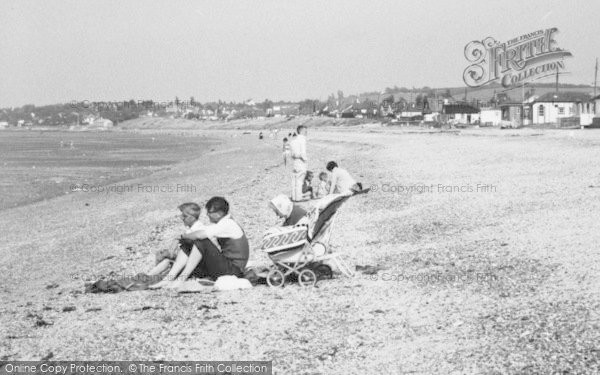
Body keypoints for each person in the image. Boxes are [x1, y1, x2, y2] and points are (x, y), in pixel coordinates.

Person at [150, 197, 249, 288]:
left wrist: (182, 236)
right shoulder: (224, 223)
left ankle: (181, 279)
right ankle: (168, 279)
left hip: (234, 270)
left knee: (201, 241)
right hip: (227, 266)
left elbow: (200, 235)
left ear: (219, 213)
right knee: (188, 244)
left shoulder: (227, 224)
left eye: (209, 212)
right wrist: (184, 239)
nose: (207, 215)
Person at [147, 202, 213, 277]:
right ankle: (150, 276)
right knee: (162, 255)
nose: (181, 218)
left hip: (198, 268)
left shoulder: (198, 230)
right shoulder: (191, 230)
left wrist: (173, 251)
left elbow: (192, 253)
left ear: (192, 217)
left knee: (166, 261)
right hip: (193, 263)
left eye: (184, 216)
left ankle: (148, 277)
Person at [289, 125, 308, 201]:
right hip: (300, 161)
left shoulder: (293, 141)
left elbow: (292, 154)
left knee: (294, 180)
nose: (306, 132)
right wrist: (305, 160)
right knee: (300, 181)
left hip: (295, 162)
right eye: (305, 131)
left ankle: (294, 197)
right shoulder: (302, 140)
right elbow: (303, 152)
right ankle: (298, 198)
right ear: (301, 131)